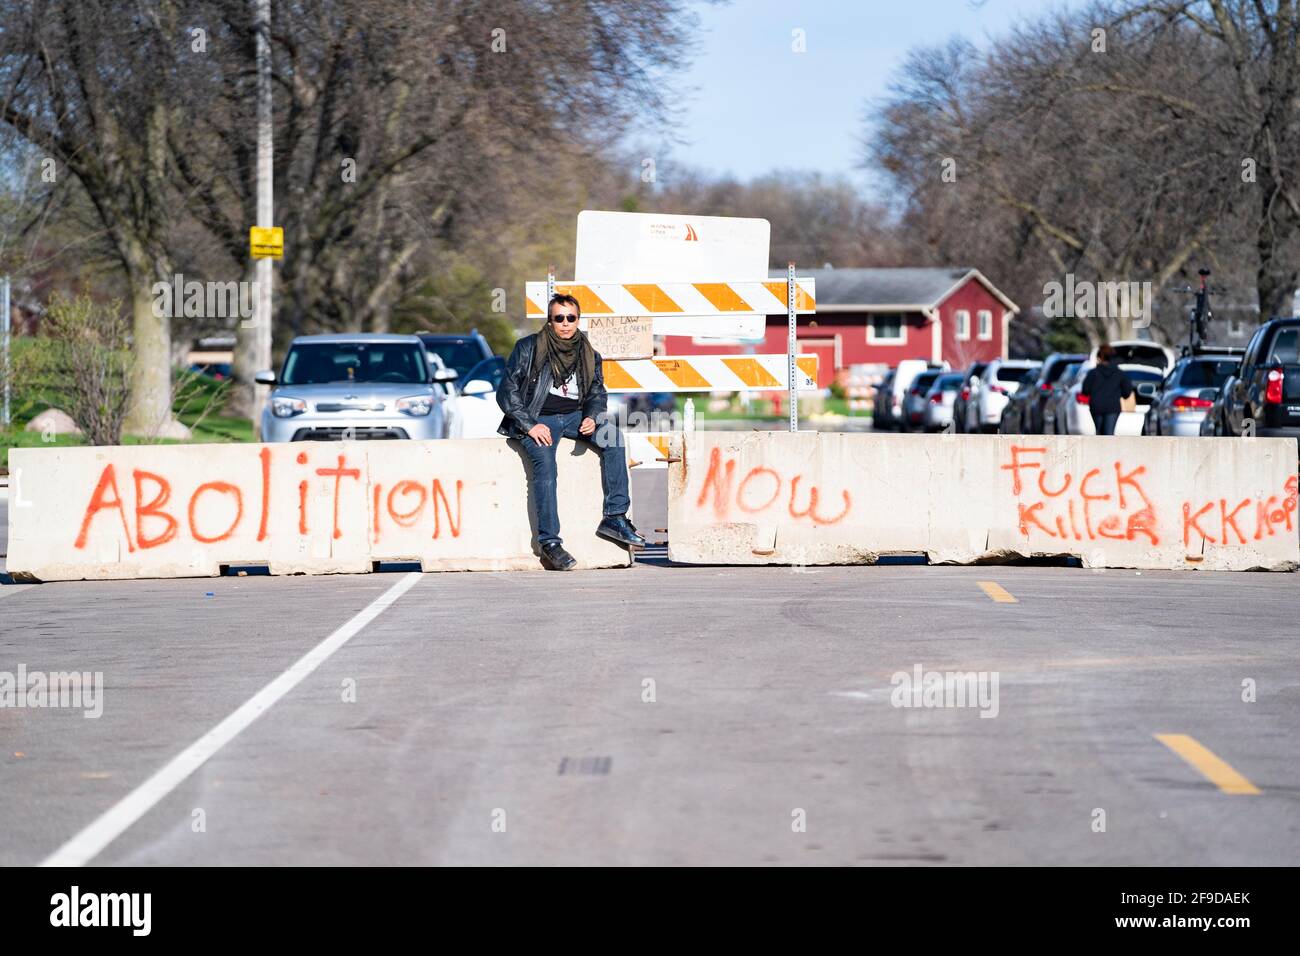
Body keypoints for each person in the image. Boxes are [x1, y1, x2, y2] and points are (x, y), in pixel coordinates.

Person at [497, 293, 646, 570]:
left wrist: (591, 416)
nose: (565, 324)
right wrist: (530, 425)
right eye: (559, 318)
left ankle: (614, 517)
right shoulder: (529, 347)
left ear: (578, 319)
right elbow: (507, 392)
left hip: (574, 416)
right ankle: (550, 543)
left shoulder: (588, 351)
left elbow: (597, 392)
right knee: (546, 468)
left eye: (571, 318)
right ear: (550, 321)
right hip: (539, 417)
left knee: (613, 437)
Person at [1080, 343, 1135, 436]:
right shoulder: (1120, 373)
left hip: (1096, 406)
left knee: (1099, 432)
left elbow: (1085, 391)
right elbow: (1127, 392)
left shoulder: (1093, 373)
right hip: (1113, 406)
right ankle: (1108, 450)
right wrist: (1117, 394)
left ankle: (1098, 449)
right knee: (1109, 433)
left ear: (1099, 357)